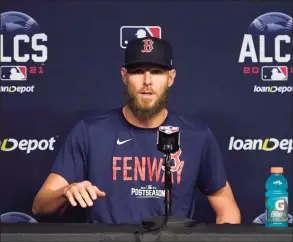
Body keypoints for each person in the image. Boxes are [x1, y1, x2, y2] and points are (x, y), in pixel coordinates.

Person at [32, 36, 241, 224]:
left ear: (171, 78)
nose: (147, 81)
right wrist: (66, 192)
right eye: (138, 71)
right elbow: (40, 206)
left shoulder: (196, 135)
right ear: (124, 76)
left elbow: (227, 208)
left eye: (157, 72)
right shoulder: (91, 132)